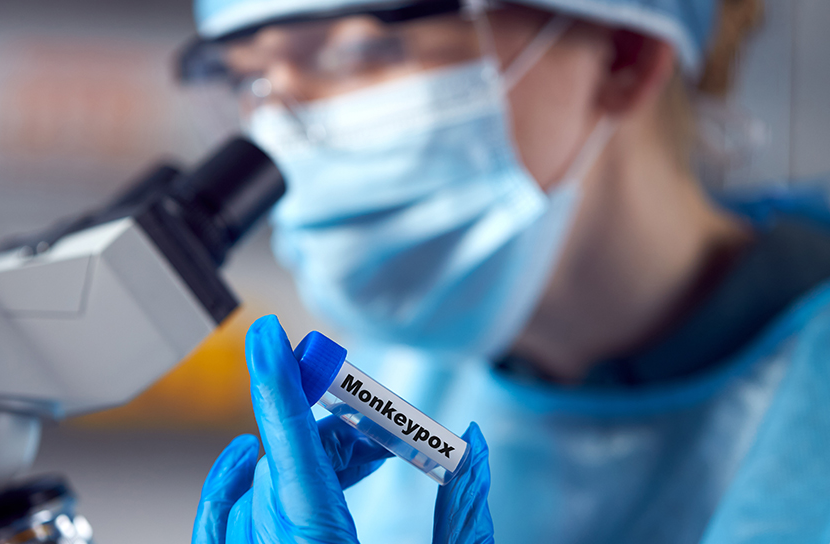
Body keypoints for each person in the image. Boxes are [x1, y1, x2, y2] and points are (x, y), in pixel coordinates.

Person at [182, 0, 830, 542]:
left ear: (623, 56)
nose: (283, 129)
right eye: (248, 80)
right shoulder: (403, 372)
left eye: (360, 53)